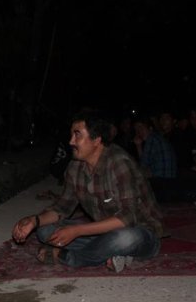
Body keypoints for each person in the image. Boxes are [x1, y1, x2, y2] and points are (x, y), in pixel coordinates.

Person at [11, 110, 163, 272]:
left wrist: (78, 231)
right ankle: (111, 253)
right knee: (45, 230)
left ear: (96, 140)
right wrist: (34, 221)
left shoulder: (118, 162)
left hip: (140, 233)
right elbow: (62, 208)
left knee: (124, 238)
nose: (71, 141)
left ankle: (68, 256)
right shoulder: (75, 166)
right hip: (103, 233)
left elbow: (128, 218)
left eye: (77, 135)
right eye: (71, 135)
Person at [132, 115, 178, 203]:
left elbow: (142, 166)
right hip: (169, 181)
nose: (138, 132)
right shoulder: (157, 137)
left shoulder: (151, 139)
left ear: (150, 128)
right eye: (136, 130)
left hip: (162, 183)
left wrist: (138, 146)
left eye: (141, 128)